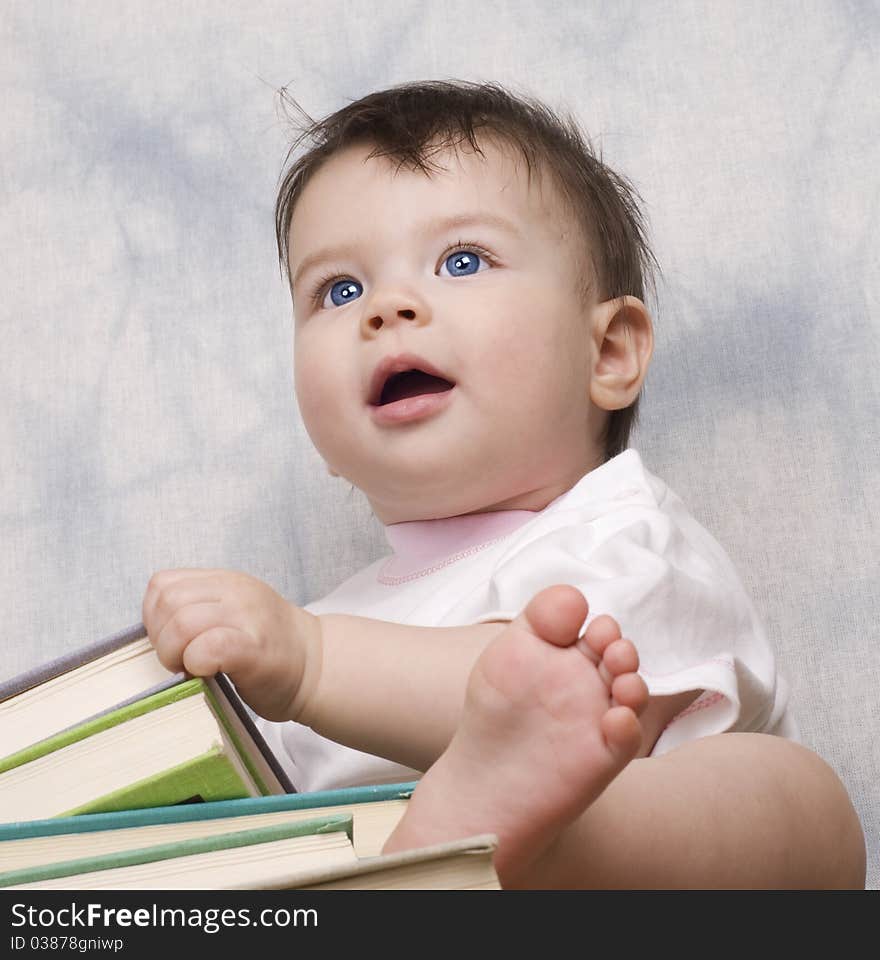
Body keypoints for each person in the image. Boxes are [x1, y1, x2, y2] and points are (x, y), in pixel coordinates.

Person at [142, 80, 866, 888]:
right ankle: (447, 861)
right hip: (387, 885)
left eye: (462, 260)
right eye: (338, 290)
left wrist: (312, 668)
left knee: (799, 800)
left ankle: (544, 839)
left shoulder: (618, 533)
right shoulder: (317, 622)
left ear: (609, 353)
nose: (387, 306)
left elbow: (565, 694)